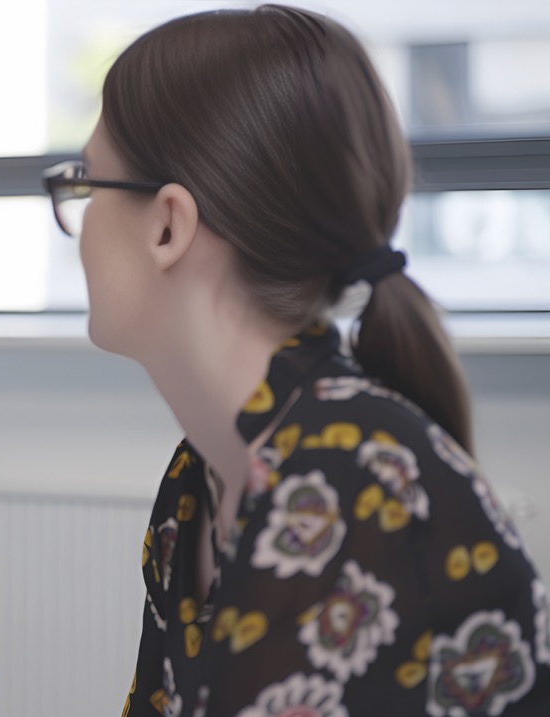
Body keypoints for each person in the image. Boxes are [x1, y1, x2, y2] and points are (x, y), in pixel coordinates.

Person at [41, 5, 549, 716]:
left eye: (88, 186)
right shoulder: (198, 481)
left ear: (167, 226)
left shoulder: (351, 485)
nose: (79, 223)